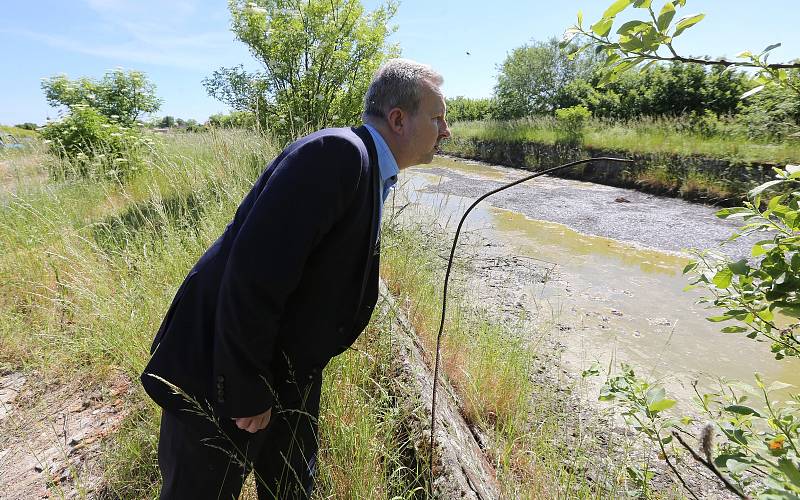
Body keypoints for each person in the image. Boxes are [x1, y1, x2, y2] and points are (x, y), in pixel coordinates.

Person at [140, 58, 451, 499]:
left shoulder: (366, 167)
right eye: (438, 117)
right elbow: (253, 274)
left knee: (290, 487)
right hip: (224, 372)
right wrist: (246, 388)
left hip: (287, 375)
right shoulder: (338, 155)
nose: (447, 130)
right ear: (398, 119)